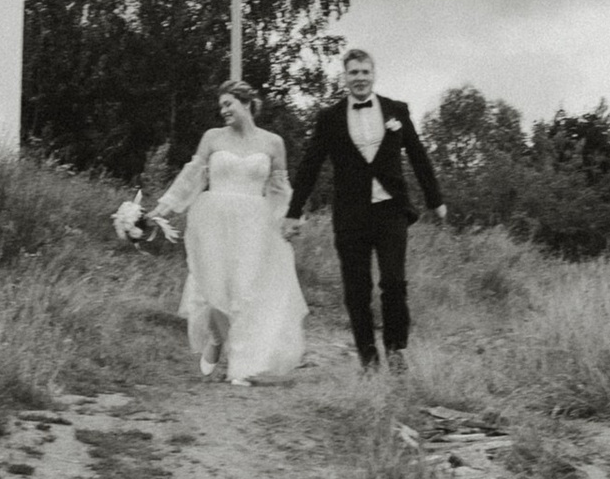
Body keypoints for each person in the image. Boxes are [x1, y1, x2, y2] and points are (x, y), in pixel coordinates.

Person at [286, 49, 443, 372]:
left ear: (374, 74)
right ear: (345, 77)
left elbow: (418, 155)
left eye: (364, 72)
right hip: (351, 214)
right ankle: (368, 357)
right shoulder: (329, 118)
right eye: (353, 72)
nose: (359, 78)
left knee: (394, 283)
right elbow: (310, 165)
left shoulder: (397, 110)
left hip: (391, 211)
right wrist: (293, 209)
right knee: (357, 290)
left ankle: (397, 350)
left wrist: (435, 198)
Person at [155, 82, 307, 384]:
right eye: (221, 105)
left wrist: (290, 219)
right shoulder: (212, 138)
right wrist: (162, 209)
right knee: (213, 287)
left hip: (254, 223)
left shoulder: (273, 142)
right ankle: (215, 337)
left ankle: (242, 365)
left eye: (228, 104)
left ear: (247, 103)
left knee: (245, 292)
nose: (223, 110)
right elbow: (191, 177)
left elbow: (278, 188)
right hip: (214, 219)